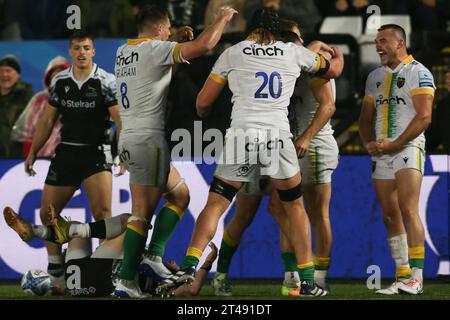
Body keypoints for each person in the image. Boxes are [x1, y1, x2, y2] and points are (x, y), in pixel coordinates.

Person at [176, 8, 342, 297]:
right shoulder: (293, 53)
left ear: (249, 29)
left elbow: (203, 102)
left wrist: (206, 114)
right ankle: (307, 281)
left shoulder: (233, 53)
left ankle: (189, 266)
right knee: (294, 207)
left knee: (216, 204)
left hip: (241, 134)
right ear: (277, 31)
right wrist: (334, 56)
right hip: (277, 136)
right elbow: (332, 71)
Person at [113, 4, 237, 298]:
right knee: (141, 216)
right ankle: (126, 282)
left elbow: (155, 51)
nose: (170, 32)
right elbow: (205, 45)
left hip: (129, 138)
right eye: (168, 28)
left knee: (180, 195)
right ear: (158, 29)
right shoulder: (156, 50)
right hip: (149, 140)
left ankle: (153, 258)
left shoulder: (123, 51)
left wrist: (174, 37)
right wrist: (221, 18)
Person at [23, 31, 121, 291]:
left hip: (96, 153)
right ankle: (56, 271)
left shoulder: (106, 81)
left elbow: (120, 120)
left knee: (103, 214)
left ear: (93, 52)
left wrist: (122, 152)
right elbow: (47, 120)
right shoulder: (60, 81)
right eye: (77, 48)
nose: (81, 53)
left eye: (86, 48)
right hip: (66, 153)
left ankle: (103, 273)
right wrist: (34, 150)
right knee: (48, 214)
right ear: (70, 52)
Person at [359, 24, 435, 295]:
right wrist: (368, 143)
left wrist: (396, 143)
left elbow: (424, 116)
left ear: (400, 43)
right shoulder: (374, 76)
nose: (378, 46)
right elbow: (365, 119)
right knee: (390, 216)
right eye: (376, 41)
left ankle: (417, 277)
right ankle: (402, 275)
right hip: (382, 152)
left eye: (383, 41)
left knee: (407, 208)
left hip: (408, 147)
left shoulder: (419, 72)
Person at [3, 206, 216, 297]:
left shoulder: (167, 283)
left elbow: (191, 289)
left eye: (176, 265)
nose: (173, 262)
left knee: (133, 221)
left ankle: (39, 236)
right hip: (78, 286)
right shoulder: (161, 282)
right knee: (76, 230)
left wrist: (208, 261)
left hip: (99, 277)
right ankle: (56, 273)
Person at [11, 56, 70, 158]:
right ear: (49, 78)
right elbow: (25, 133)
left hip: (70, 159)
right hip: (40, 160)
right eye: (54, 74)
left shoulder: (79, 100)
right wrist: (29, 155)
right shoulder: (39, 100)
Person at [0, 54, 33, 158]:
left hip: (16, 157)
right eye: (1, 71)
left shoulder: (27, 97)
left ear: (17, 75)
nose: (4, 74)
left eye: (8, 71)